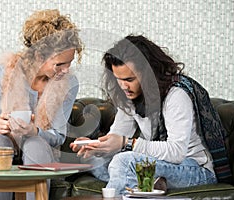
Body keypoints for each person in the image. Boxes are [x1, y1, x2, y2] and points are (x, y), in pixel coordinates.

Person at [71, 34, 232, 195]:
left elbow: (176, 152)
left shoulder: (176, 94)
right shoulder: (128, 96)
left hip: (194, 168)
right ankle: (151, 182)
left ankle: (141, 183)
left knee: (124, 162)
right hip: (157, 163)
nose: (123, 86)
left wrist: (127, 144)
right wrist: (97, 146)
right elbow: (118, 136)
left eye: (129, 79)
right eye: (118, 79)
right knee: (93, 159)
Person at [0, 9, 83, 199]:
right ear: (38, 56)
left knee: (35, 144)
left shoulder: (69, 84)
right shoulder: (2, 73)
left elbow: (57, 136)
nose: (66, 70)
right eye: (59, 64)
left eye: (69, 63)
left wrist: (35, 131)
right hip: (3, 148)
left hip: (41, 152)